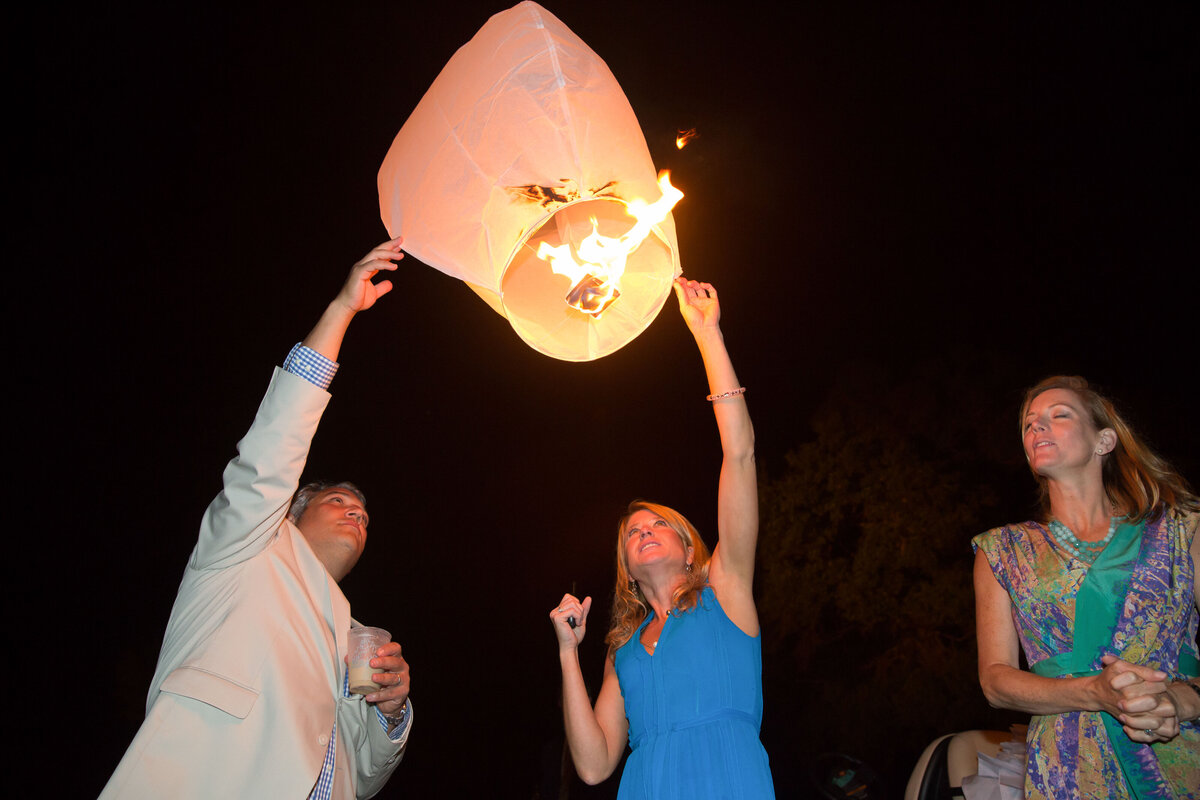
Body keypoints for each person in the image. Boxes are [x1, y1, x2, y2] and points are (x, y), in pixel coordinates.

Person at [101, 238, 413, 799]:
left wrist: (390, 715)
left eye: (363, 512)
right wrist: (342, 310)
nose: (355, 511)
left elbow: (362, 778)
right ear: (291, 510)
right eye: (337, 500)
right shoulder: (242, 551)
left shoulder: (353, 638)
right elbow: (271, 453)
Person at [549, 278, 775, 799]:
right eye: (634, 532)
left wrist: (707, 336)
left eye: (659, 525)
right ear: (626, 567)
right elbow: (593, 764)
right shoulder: (622, 648)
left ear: (691, 548)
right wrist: (567, 653)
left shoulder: (727, 589)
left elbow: (739, 455)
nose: (644, 531)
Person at [973, 375, 1200, 799]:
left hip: (1179, 745)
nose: (1037, 427)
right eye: (1029, 423)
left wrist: (1181, 702)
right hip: (1068, 764)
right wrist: (1093, 692)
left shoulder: (1180, 529)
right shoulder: (1000, 550)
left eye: (1059, 415)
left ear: (1104, 441)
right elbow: (996, 682)